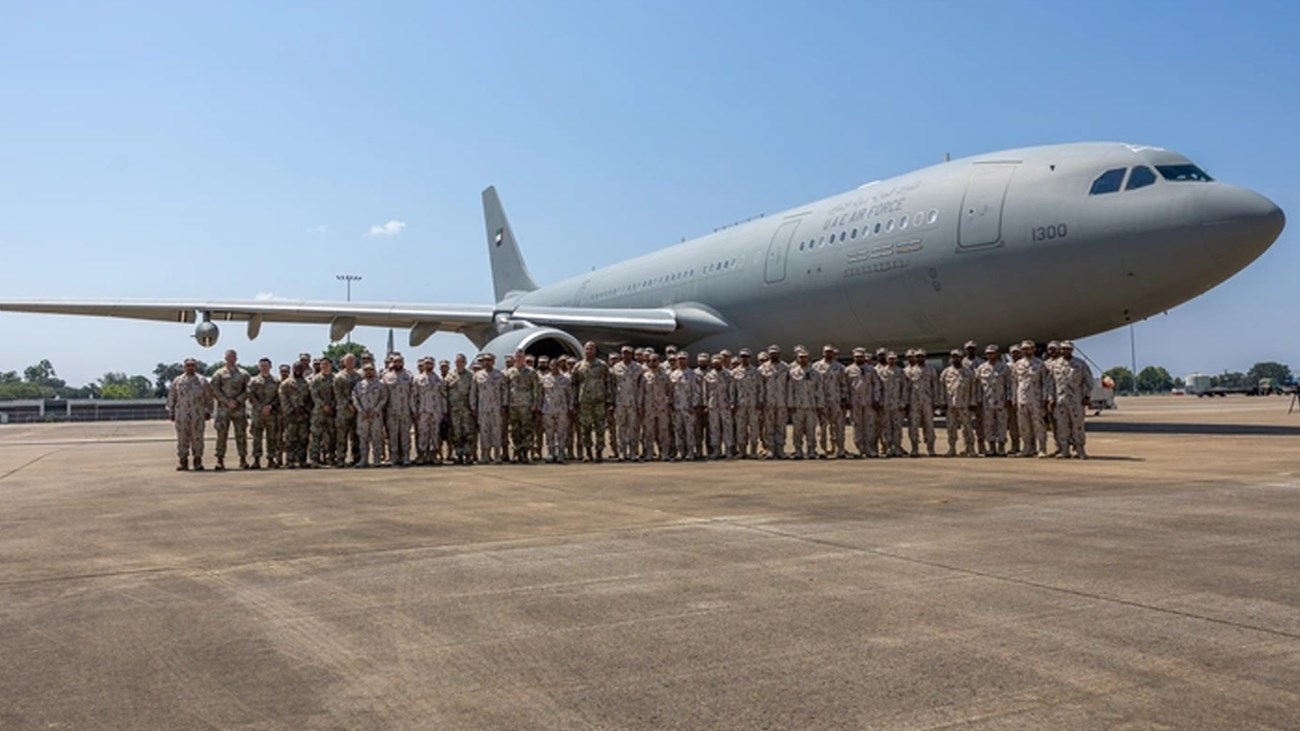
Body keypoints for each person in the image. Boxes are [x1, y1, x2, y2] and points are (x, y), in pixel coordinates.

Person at [1047, 341, 1094, 459]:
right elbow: (1050, 383)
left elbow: (1088, 381)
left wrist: (1087, 396)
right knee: (1062, 426)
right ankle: (1064, 450)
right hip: (1060, 400)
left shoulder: (1080, 364)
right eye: (1063, 349)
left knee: (1078, 425)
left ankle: (1079, 449)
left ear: (1072, 350)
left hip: (1076, 400)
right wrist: (1051, 398)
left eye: (1068, 349)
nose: (1065, 351)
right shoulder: (1054, 365)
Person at [167, 357, 212, 471]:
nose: (190, 367)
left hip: (197, 414)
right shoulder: (178, 381)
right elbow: (172, 396)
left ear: (196, 367)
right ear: (184, 367)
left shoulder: (202, 380)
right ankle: (183, 461)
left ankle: (198, 461)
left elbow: (208, 397)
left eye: (192, 365)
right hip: (182, 414)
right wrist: (171, 411)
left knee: (198, 438)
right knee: (182, 438)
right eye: (188, 365)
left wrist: (208, 411)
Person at [572, 341, 613, 462]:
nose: (589, 351)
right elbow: (574, 384)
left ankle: (599, 451)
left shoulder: (602, 365)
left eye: (591, 349)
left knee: (600, 427)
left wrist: (609, 400)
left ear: (595, 351)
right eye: (587, 349)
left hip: (599, 401)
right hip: (585, 401)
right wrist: (574, 400)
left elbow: (608, 382)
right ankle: (588, 452)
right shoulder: (578, 366)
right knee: (586, 428)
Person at [209, 349, 250, 470]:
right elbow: (215, 390)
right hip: (224, 409)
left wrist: (237, 400)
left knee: (241, 434)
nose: (231, 359)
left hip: (239, 408)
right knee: (221, 434)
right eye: (229, 357)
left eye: (233, 357)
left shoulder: (244, 374)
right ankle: (220, 460)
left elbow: (248, 390)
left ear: (236, 358)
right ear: (225, 358)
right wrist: (227, 401)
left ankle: (243, 459)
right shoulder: (219, 374)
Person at [1012, 340, 1050, 457]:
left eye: (1028, 349)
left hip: (1036, 399)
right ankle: (1027, 448)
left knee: (1038, 424)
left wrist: (1045, 398)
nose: (1026, 351)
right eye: (1024, 349)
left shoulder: (1040, 364)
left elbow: (1045, 383)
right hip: (1022, 398)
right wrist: (1014, 398)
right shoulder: (1017, 365)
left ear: (1033, 349)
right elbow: (1015, 383)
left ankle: (1042, 448)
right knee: (1024, 425)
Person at [974, 345, 1013, 456]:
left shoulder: (1004, 367)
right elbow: (978, 386)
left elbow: (1008, 384)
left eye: (992, 353)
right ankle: (991, 447)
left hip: (1001, 400)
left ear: (997, 354)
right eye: (988, 354)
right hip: (987, 401)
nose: (990, 355)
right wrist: (978, 399)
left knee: (1002, 424)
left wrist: (1009, 398)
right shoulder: (981, 368)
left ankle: (1001, 447)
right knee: (988, 424)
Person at [940, 350, 978, 457]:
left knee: (967, 427)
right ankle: (952, 448)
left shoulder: (968, 372)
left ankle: (970, 448)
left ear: (961, 358)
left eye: (957, 357)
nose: (955, 359)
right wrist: (942, 402)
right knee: (951, 427)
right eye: (953, 357)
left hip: (964, 405)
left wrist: (973, 402)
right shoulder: (946, 372)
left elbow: (973, 389)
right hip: (951, 405)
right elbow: (942, 388)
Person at [471, 352, 508, 464]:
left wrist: (504, 405)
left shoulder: (500, 375)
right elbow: (473, 393)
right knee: (484, 432)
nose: (487, 362)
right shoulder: (477, 375)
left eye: (489, 360)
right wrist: (473, 407)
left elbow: (504, 391)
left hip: (496, 408)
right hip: (483, 409)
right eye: (485, 360)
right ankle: (485, 455)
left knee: (496, 431)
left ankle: (497, 455)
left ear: (493, 362)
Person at [845, 347, 882, 458]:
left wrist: (876, 399)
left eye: (861, 357)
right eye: (857, 357)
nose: (859, 359)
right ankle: (860, 449)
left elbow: (876, 385)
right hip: (855, 402)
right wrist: (847, 400)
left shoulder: (871, 370)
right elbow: (845, 387)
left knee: (869, 426)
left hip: (868, 402)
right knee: (857, 426)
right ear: (854, 357)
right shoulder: (849, 370)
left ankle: (870, 448)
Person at [813, 345, 848, 459]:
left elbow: (843, 384)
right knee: (822, 426)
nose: (828, 354)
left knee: (838, 425)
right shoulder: (816, 366)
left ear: (833, 353)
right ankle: (822, 449)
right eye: (826, 352)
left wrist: (844, 398)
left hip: (835, 400)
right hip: (821, 400)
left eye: (830, 352)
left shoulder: (839, 367)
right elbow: (814, 384)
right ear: (823, 353)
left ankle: (839, 449)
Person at [903, 349, 940, 457]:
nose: (920, 358)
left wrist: (936, 401)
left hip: (927, 402)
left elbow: (935, 387)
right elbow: (906, 389)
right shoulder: (908, 371)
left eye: (922, 356)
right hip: (914, 403)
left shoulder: (931, 370)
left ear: (925, 357)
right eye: (918, 356)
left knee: (929, 425)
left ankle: (931, 448)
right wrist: (906, 402)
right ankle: (914, 448)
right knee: (913, 426)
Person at [787, 347, 822, 459]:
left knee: (811, 430)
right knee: (797, 430)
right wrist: (790, 404)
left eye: (805, 357)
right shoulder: (793, 373)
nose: (803, 359)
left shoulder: (815, 373)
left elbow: (819, 390)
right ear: (797, 358)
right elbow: (790, 390)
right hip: (797, 406)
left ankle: (811, 451)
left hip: (811, 405)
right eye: (801, 357)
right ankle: (798, 451)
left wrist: (819, 405)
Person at [351, 362, 388, 467]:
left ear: (374, 371)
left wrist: (376, 410)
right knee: (363, 438)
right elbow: (355, 398)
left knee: (376, 438)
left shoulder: (380, 384)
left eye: (370, 370)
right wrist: (361, 410)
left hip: (376, 415)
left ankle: (377, 459)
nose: (368, 372)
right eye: (366, 370)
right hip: (362, 416)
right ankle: (364, 460)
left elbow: (384, 398)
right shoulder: (359, 385)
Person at [246, 357, 281, 469]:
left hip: (271, 413)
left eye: (266, 366)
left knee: (271, 437)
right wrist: (261, 407)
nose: (264, 368)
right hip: (258, 414)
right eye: (262, 366)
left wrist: (270, 406)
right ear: (259, 367)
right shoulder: (254, 381)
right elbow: (250, 396)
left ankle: (271, 459)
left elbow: (279, 396)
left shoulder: (276, 381)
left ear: (270, 367)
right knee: (257, 437)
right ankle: (256, 460)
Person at [382, 353, 415, 466]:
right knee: (393, 436)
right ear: (392, 363)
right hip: (391, 411)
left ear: (403, 362)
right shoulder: (387, 377)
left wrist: (413, 410)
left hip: (405, 411)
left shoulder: (409, 376)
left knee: (405, 435)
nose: (397, 363)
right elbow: (384, 395)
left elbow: (413, 394)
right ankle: (394, 457)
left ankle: (406, 457)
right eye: (395, 361)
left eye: (399, 361)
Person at [611, 346, 644, 461]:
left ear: (632, 354)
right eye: (624, 353)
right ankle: (622, 452)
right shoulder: (616, 367)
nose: (626, 355)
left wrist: (639, 403)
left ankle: (633, 452)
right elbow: (613, 385)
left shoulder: (638, 368)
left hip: (633, 402)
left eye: (628, 353)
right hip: (620, 402)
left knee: (633, 428)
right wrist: (612, 402)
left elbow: (641, 387)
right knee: (621, 428)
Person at [538, 356, 572, 463]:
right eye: (552, 365)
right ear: (549, 366)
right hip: (548, 410)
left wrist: (570, 407)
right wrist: (539, 407)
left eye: (556, 365)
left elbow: (569, 395)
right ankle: (550, 453)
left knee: (561, 432)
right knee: (549, 433)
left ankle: (561, 453)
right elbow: (541, 395)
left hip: (562, 410)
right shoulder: (544, 379)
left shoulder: (565, 380)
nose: (554, 367)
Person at [413, 357, 447, 465]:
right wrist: (414, 410)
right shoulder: (417, 379)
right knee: (423, 433)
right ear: (423, 365)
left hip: (436, 411)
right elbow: (414, 396)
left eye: (430, 364)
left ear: (434, 365)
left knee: (435, 433)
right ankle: (422, 455)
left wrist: (444, 411)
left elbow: (443, 396)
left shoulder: (438, 379)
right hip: (423, 411)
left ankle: (433, 455)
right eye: (426, 363)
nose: (428, 365)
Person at [278, 363, 311, 468]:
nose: (298, 370)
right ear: (293, 369)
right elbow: (283, 398)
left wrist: (305, 409)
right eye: (296, 368)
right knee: (290, 438)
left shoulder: (307, 383)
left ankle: (302, 460)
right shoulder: (286, 383)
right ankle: (290, 460)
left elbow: (310, 398)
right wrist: (292, 410)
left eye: (300, 368)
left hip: (303, 415)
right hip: (291, 416)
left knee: (303, 438)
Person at [731, 349, 762, 459]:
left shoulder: (756, 371)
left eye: (747, 357)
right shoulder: (735, 372)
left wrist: (760, 401)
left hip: (753, 404)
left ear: (750, 358)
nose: (744, 359)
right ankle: (742, 451)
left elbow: (760, 388)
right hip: (740, 404)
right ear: (740, 358)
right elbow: (732, 389)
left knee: (754, 428)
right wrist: (732, 402)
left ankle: (753, 451)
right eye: (743, 356)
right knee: (741, 428)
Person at [640, 352, 672, 461]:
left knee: (663, 431)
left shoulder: (664, 376)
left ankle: (664, 453)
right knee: (649, 431)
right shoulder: (645, 376)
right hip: (649, 407)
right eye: (650, 361)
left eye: (655, 360)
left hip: (662, 407)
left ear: (659, 362)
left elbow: (669, 390)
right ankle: (649, 453)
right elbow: (641, 392)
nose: (652, 363)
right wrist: (640, 406)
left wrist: (669, 403)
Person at [759, 345, 790, 458]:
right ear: (769, 354)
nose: (774, 355)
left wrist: (789, 401)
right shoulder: (762, 368)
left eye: (775, 353)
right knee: (769, 426)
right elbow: (760, 386)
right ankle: (771, 449)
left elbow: (789, 386)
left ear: (779, 354)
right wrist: (761, 400)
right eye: (771, 353)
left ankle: (780, 449)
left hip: (782, 401)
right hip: (768, 402)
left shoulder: (785, 368)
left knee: (781, 426)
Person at [445, 354, 476, 464]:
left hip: (467, 409)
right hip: (454, 410)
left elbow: (474, 392)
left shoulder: (470, 376)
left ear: (465, 363)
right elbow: (445, 393)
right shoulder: (450, 376)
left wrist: (473, 408)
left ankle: (468, 455)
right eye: (457, 362)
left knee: (468, 433)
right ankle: (459, 455)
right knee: (456, 433)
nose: (459, 364)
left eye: (462, 361)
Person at [877, 350, 908, 458]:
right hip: (885, 404)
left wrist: (903, 402)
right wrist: (879, 401)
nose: (892, 360)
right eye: (890, 359)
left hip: (897, 404)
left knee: (897, 427)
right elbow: (878, 388)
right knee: (886, 427)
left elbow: (904, 388)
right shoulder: (881, 372)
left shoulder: (901, 372)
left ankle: (897, 447)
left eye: (893, 359)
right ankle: (888, 447)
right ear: (887, 359)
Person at [333, 354, 363, 467]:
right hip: (343, 410)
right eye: (348, 361)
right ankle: (341, 458)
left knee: (356, 435)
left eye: (352, 361)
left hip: (357, 410)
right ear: (343, 362)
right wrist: (348, 404)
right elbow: (338, 394)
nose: (350, 363)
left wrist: (357, 405)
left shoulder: (359, 376)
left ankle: (356, 458)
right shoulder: (339, 377)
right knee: (342, 436)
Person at [703, 355, 735, 458]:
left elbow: (731, 390)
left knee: (727, 428)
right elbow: (705, 391)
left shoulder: (728, 374)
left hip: (725, 405)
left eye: (718, 363)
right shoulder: (709, 376)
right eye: (715, 363)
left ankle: (728, 450)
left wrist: (732, 402)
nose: (717, 365)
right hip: (713, 405)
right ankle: (716, 450)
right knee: (714, 428)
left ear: (722, 363)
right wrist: (705, 404)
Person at [307, 357, 337, 467]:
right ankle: (314, 459)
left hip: (332, 411)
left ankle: (330, 458)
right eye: (322, 364)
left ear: (331, 365)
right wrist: (323, 405)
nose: (324, 366)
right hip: (318, 411)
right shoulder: (316, 379)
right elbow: (314, 395)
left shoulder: (335, 378)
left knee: (331, 435)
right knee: (316, 435)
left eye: (326, 364)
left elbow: (337, 394)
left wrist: (331, 405)